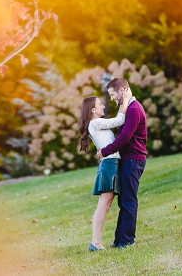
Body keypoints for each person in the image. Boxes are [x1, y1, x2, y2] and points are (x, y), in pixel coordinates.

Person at [78, 89, 132, 251]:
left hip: (110, 163)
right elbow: (119, 120)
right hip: (109, 166)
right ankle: (95, 243)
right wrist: (126, 100)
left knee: (105, 204)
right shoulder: (95, 123)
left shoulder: (96, 124)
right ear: (92, 110)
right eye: (100, 104)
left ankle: (95, 242)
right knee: (104, 204)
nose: (103, 106)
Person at [97, 78, 148, 248]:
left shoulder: (134, 109)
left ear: (123, 89)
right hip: (128, 159)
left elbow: (125, 138)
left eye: (112, 95)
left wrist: (105, 151)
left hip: (134, 159)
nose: (111, 99)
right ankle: (119, 240)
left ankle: (127, 241)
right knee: (123, 201)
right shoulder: (127, 107)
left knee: (128, 200)